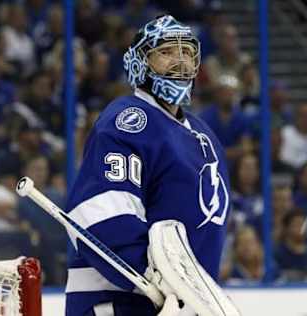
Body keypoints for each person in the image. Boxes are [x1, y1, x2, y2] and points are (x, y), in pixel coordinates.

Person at [65, 15, 231, 315]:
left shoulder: (203, 135)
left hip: (183, 306)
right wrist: (159, 278)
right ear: (140, 63)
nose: (179, 62)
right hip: (121, 303)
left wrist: (193, 294)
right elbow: (98, 212)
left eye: (187, 53)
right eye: (166, 52)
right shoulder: (129, 121)